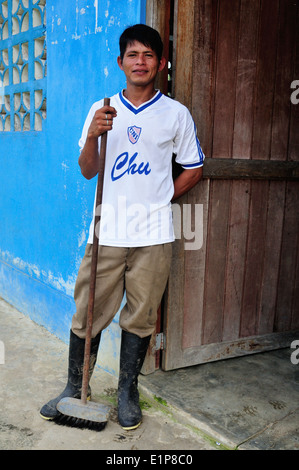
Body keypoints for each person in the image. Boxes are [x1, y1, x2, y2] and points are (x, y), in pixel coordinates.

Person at [40, 24, 205, 430]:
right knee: (88, 312)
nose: (141, 62)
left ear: (161, 63)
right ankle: (74, 387)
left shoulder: (175, 114)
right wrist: (93, 136)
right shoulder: (103, 109)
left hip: (154, 236)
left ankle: (128, 390)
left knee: (141, 317)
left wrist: (161, 199)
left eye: (149, 55)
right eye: (133, 55)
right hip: (107, 232)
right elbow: (87, 171)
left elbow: (194, 168)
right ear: (121, 62)